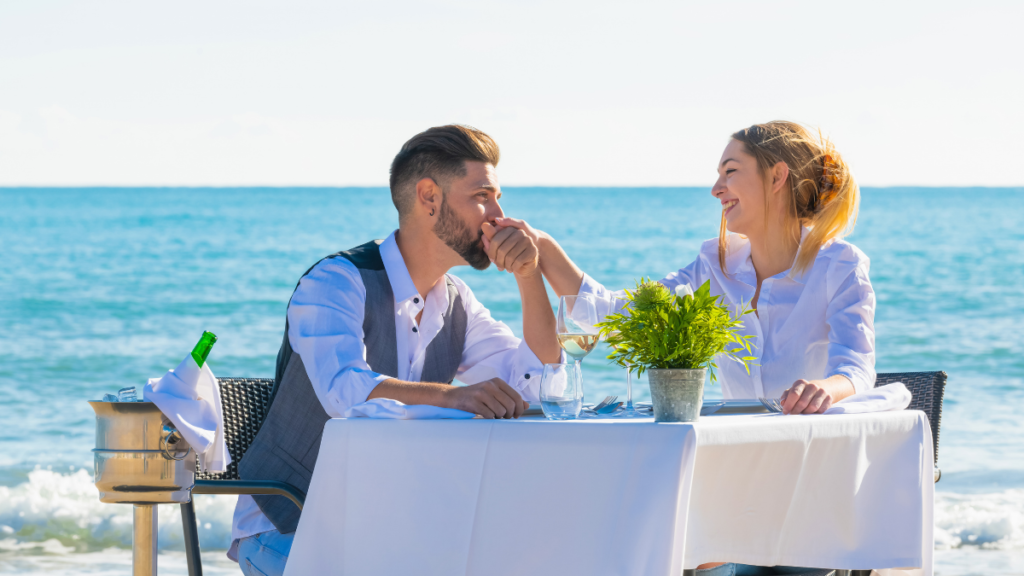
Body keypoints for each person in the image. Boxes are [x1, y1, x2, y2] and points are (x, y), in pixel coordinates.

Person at [497, 120, 875, 575]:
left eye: (731, 171)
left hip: (808, 482)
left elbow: (856, 368)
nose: (717, 188)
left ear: (777, 177)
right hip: (733, 482)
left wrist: (824, 388)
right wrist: (541, 246)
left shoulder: (839, 265)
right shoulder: (712, 266)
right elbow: (616, 313)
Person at [229, 125, 561, 576]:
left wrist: (528, 275)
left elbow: (540, 387)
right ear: (429, 197)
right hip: (291, 532)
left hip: (387, 536)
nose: (498, 214)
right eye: (482, 195)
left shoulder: (458, 301)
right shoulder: (334, 282)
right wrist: (452, 396)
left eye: (498, 197)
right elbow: (346, 393)